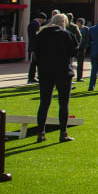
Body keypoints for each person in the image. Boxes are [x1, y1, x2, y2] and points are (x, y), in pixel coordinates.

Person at [33, 14, 78, 142]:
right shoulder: (67, 35)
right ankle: (63, 132)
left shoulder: (41, 34)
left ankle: (40, 132)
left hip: (45, 71)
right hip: (63, 71)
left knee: (44, 102)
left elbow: (35, 53)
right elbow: (73, 52)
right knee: (63, 103)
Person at [26, 11, 46, 83]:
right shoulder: (34, 25)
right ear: (41, 19)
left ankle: (33, 77)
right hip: (35, 47)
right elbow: (34, 37)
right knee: (35, 62)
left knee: (35, 62)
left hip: (34, 46)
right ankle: (32, 77)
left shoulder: (33, 24)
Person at [75, 17, 89, 83]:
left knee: (80, 62)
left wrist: (86, 46)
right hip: (76, 47)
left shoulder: (85, 29)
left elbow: (87, 38)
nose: (76, 23)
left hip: (82, 47)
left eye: (78, 22)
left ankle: (79, 77)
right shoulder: (75, 28)